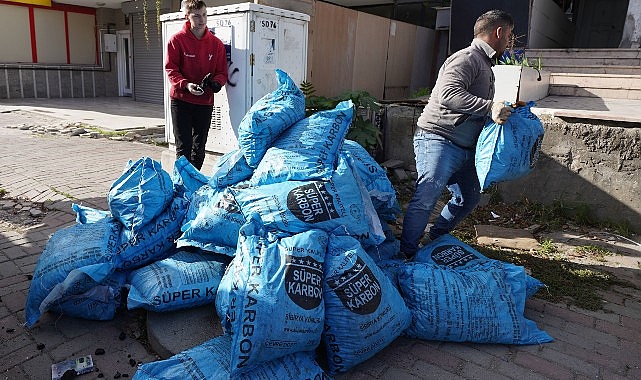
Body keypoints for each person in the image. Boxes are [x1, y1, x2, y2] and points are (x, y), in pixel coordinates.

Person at [400, 9, 515, 259]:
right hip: (438, 139)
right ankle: (406, 255)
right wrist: (489, 106)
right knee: (427, 195)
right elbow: (449, 95)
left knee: (468, 197)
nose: (509, 41)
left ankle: (434, 241)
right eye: (509, 35)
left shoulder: (484, 64)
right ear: (498, 32)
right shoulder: (466, 58)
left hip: (464, 147)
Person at [165, 0, 228, 170]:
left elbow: (222, 72)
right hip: (181, 101)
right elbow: (171, 69)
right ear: (187, 16)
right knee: (183, 148)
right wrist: (186, 85)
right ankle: (181, 185)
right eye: (197, 16)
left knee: (199, 149)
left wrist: (217, 83)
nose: (202, 19)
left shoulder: (216, 44)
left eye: (205, 15)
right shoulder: (176, 40)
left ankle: (193, 183)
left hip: (204, 102)